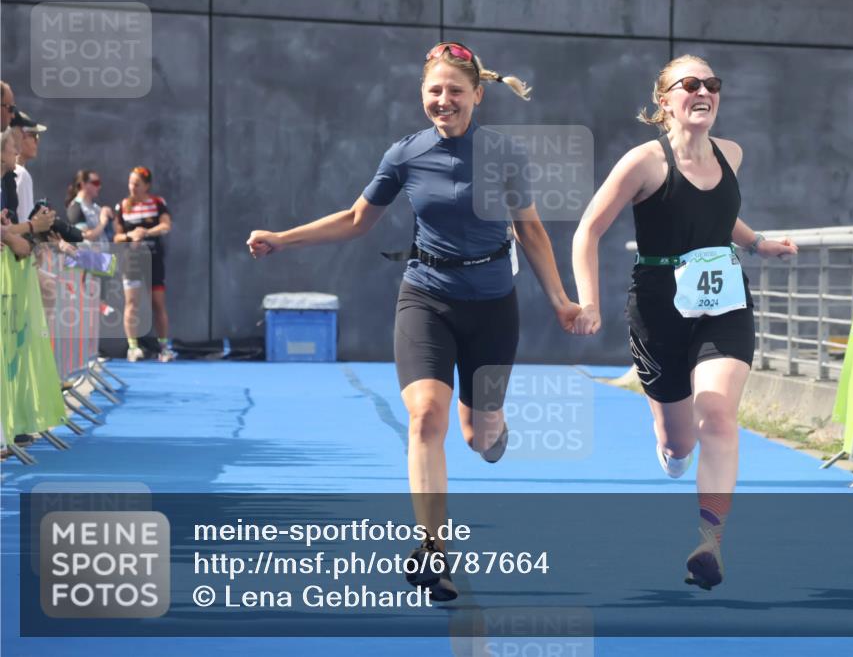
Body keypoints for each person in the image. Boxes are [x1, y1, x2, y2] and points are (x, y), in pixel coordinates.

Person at [247, 42, 580, 601]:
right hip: (426, 297)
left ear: (477, 93)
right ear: (422, 96)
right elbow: (356, 219)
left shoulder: (504, 154)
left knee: (481, 434)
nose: (443, 100)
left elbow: (532, 232)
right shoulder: (405, 154)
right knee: (427, 416)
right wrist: (284, 239)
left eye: (455, 90)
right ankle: (433, 549)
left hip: (495, 305)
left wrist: (563, 302)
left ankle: (494, 427)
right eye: (434, 91)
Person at [572, 54, 797, 590]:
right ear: (664, 100)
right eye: (689, 84)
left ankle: (709, 542)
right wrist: (589, 303)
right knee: (679, 444)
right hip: (658, 308)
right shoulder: (644, 162)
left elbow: (718, 214)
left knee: (716, 413)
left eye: (712, 84)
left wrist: (757, 243)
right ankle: (671, 450)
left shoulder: (732, 154)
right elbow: (587, 231)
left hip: (724, 303)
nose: (703, 92)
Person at [112, 165, 176, 362]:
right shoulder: (122, 206)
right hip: (132, 261)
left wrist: (146, 232)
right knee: (132, 303)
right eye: (131, 183)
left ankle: (164, 348)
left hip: (154, 259)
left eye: (137, 184)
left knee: (157, 303)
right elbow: (117, 237)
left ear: (146, 186)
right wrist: (130, 236)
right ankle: (133, 347)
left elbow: (166, 225)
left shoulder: (157, 203)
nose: (132, 187)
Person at [66, 170, 114, 247]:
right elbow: (85, 236)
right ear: (83, 185)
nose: (99, 187)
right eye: (95, 183)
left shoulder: (96, 207)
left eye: (99, 183)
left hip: (103, 256)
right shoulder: (75, 207)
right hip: (89, 257)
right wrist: (103, 222)